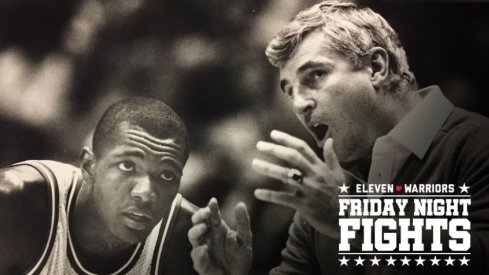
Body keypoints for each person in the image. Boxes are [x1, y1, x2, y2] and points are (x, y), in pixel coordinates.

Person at [188, 1, 489, 274]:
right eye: (290, 90)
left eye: (315, 75)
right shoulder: (325, 196)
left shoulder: (478, 144)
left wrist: (351, 219)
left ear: (376, 68)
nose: (298, 104)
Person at [0, 97, 199, 274]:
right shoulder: (13, 202)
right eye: (127, 165)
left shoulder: (191, 238)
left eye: (166, 175)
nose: (145, 193)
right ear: (88, 166)